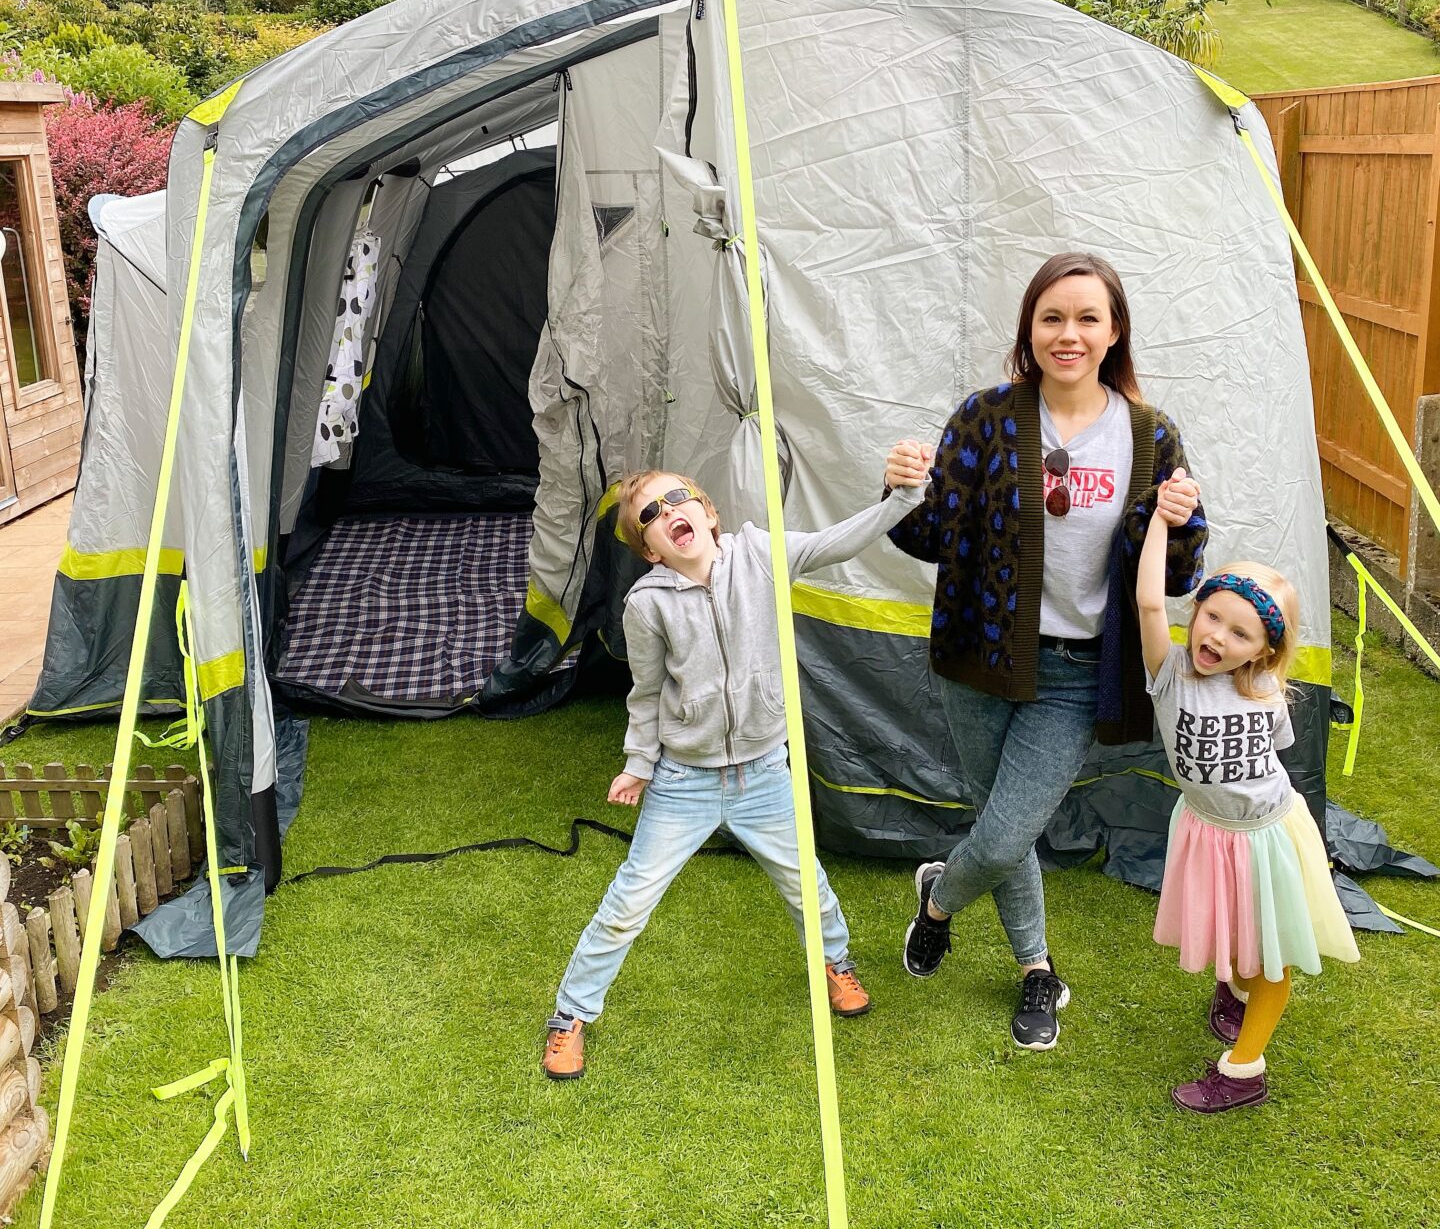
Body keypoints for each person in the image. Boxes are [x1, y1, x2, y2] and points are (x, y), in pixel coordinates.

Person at [889, 250, 1208, 1050]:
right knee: (1009, 827)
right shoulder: (987, 417)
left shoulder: (1149, 433)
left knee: (1000, 834)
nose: (1068, 334)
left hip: (1074, 670)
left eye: (1086, 318)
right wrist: (898, 488)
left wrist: (1185, 516)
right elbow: (930, 536)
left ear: (1114, 331)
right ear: (1030, 329)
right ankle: (1037, 970)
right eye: (1052, 318)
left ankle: (937, 900)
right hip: (980, 658)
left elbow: (1177, 570)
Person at [542, 455, 928, 1080]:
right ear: (651, 550)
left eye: (679, 498)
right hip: (683, 782)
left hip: (763, 774)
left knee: (808, 885)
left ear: (709, 511)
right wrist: (638, 765)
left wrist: (901, 501)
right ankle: (571, 1016)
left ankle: (835, 962)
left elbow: (839, 542)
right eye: (651, 516)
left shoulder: (760, 555)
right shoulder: (647, 605)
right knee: (628, 903)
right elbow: (644, 694)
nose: (669, 513)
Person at [1137, 484, 1359, 1110]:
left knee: (1272, 959)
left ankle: (1244, 1071)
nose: (1218, 637)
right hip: (1207, 830)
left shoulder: (1265, 688)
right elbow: (1150, 601)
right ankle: (1232, 989)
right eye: (1212, 616)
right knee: (1234, 932)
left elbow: (1273, 759)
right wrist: (1162, 521)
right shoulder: (1171, 673)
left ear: (1264, 649)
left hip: (1267, 837)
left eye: (1241, 632)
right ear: (1196, 612)